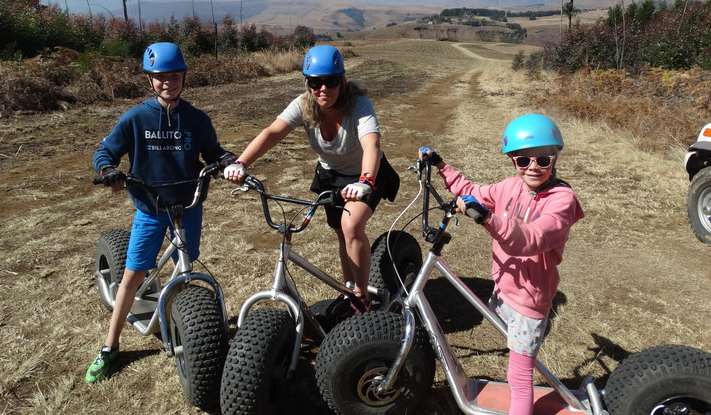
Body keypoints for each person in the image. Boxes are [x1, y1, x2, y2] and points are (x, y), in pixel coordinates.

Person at [85, 42, 235, 383]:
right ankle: (110, 346)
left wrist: (226, 161)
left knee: (185, 267)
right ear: (151, 79)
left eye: (174, 75)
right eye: (160, 76)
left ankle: (182, 321)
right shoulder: (135, 118)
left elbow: (213, 151)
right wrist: (107, 169)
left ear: (184, 77)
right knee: (133, 275)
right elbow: (105, 151)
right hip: (150, 208)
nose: (168, 82)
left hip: (189, 206)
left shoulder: (196, 119)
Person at [420, 113, 584, 415]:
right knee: (516, 355)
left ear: (554, 158)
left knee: (519, 378)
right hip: (505, 287)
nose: (533, 167)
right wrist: (442, 166)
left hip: (529, 301)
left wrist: (487, 219)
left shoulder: (562, 201)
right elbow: (473, 191)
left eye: (542, 160)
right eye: (523, 161)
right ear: (513, 162)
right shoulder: (510, 187)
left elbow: (532, 239)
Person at [224, 44, 399, 313]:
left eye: (330, 82)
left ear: (341, 81)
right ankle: (350, 286)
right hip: (330, 176)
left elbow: (371, 144)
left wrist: (365, 181)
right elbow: (272, 133)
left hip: (365, 174)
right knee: (342, 234)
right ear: (308, 83)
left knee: (351, 226)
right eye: (315, 83)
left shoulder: (359, 105)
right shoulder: (304, 104)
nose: (323, 89)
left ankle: (362, 297)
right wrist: (241, 162)